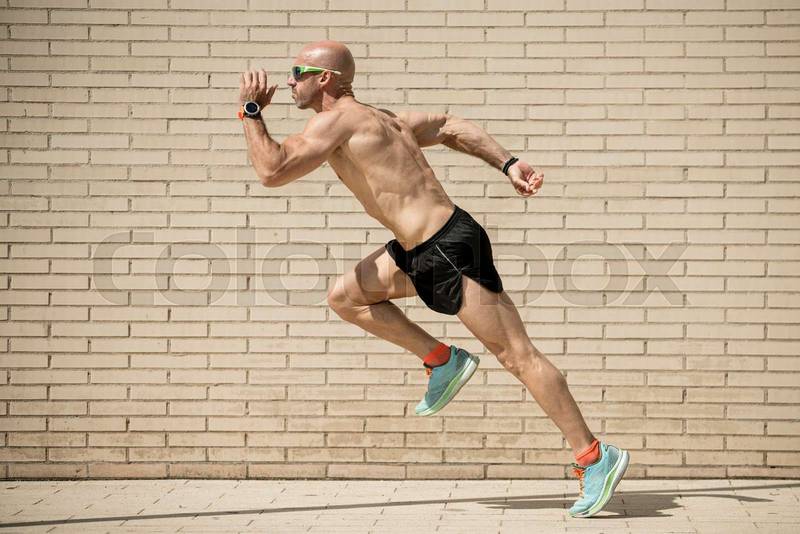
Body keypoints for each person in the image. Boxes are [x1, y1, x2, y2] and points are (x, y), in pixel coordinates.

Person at [239, 40, 629, 518]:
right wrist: (509, 163)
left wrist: (251, 111)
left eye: (298, 72)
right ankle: (442, 360)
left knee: (518, 355)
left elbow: (273, 170)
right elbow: (449, 126)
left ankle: (594, 456)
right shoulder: (385, 119)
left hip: (447, 248)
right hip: (417, 250)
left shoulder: (335, 121)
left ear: (325, 79)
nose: (289, 81)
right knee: (346, 296)